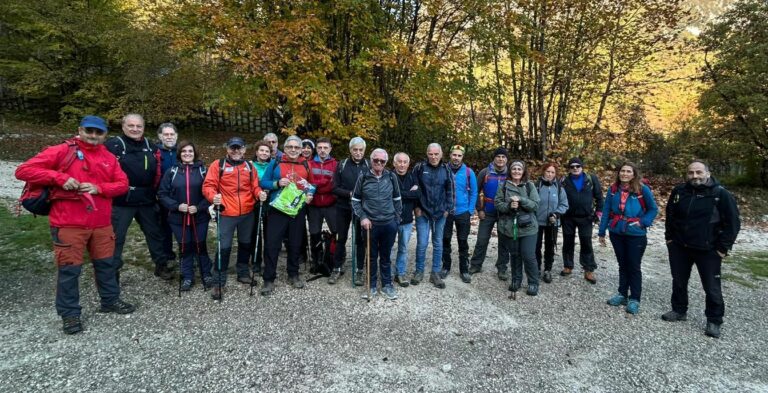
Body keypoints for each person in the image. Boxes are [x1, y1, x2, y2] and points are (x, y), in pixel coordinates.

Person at [16, 115, 135, 334]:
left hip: (101, 222)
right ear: (80, 130)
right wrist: (58, 178)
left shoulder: (108, 156)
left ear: (104, 135)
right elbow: (23, 170)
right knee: (70, 270)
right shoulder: (62, 151)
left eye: (98, 132)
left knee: (107, 264)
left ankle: (110, 300)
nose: (93, 136)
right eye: (89, 131)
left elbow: (122, 185)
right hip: (69, 222)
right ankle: (70, 314)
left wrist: (98, 188)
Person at [662, 160, 740, 338]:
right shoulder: (680, 191)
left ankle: (714, 319)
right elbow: (670, 214)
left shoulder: (720, 194)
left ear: (708, 173)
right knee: (679, 281)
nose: (695, 176)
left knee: (712, 287)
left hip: (708, 250)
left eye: (699, 172)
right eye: (691, 173)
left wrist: (723, 248)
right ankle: (679, 310)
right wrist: (669, 238)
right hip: (680, 246)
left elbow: (733, 223)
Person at [105, 114, 171, 281]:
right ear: (123, 126)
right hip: (122, 199)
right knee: (117, 237)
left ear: (143, 127)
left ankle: (161, 265)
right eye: (131, 126)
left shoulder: (151, 146)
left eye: (139, 126)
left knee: (155, 233)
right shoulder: (113, 145)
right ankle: (112, 272)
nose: (135, 129)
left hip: (147, 198)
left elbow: (159, 171)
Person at [202, 137, 267, 300]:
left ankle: (243, 272)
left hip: (247, 212)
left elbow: (255, 186)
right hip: (226, 213)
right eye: (233, 148)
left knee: (245, 244)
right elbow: (208, 185)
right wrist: (213, 197)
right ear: (227, 149)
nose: (236, 151)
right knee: (223, 247)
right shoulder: (219, 164)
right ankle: (218, 281)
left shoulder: (249, 167)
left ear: (245, 150)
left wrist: (259, 193)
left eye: (239, 148)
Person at [597, 162, 658, 315]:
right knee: (622, 264)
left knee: (634, 266)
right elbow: (606, 211)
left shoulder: (642, 189)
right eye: (622, 171)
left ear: (634, 174)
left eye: (628, 171)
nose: (624, 174)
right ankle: (622, 294)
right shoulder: (613, 190)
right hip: (617, 232)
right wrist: (602, 231)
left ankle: (635, 298)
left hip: (635, 234)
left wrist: (643, 222)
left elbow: (653, 209)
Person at [260, 135, 315, 295]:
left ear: (300, 150)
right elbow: (263, 182)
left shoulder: (306, 164)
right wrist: (277, 183)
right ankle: (269, 279)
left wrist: (310, 196)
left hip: (297, 210)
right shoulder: (275, 162)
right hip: (277, 210)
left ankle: (293, 274)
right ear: (285, 148)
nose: (293, 150)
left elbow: (311, 186)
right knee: (272, 244)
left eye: (296, 147)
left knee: (295, 243)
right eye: (290, 147)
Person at [158, 141, 214, 292]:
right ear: (179, 154)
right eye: (184, 151)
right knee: (185, 247)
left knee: (200, 245)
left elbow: (211, 193)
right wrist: (176, 206)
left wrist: (200, 207)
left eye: (190, 151)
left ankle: (206, 273)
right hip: (178, 219)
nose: (187, 154)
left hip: (199, 217)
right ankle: (187, 276)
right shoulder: (172, 171)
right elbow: (162, 194)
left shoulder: (203, 170)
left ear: (194, 153)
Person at [351, 148, 403, 300]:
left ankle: (387, 285)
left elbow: (397, 199)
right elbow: (355, 200)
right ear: (371, 160)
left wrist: (396, 219)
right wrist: (362, 217)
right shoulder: (364, 176)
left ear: (386, 163)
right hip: (370, 224)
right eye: (376, 160)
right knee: (372, 256)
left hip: (389, 223)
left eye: (382, 161)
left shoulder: (391, 176)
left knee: (386, 256)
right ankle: (372, 285)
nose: (379, 163)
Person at [495, 160, 541, 297]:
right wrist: (509, 206)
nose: (516, 171)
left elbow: (535, 205)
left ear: (523, 171)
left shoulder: (529, 186)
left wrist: (521, 200)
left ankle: (533, 282)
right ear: (510, 171)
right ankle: (516, 280)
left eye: (519, 169)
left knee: (528, 254)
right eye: (514, 169)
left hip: (528, 228)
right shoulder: (503, 186)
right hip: (510, 227)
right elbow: (498, 204)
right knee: (514, 254)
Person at [412, 143, 454, 289]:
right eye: (431, 154)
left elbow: (450, 190)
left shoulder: (446, 169)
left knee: (438, 244)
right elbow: (414, 188)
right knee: (422, 243)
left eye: (436, 154)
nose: (434, 157)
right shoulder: (419, 168)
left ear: (441, 154)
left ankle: (435, 273)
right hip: (423, 212)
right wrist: (416, 207)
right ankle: (419, 271)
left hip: (441, 213)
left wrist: (448, 208)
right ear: (427, 153)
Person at [332, 137, 370, 286]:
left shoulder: (368, 165)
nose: (358, 153)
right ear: (350, 150)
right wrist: (350, 194)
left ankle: (360, 270)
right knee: (341, 238)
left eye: (361, 150)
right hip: (343, 207)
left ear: (364, 151)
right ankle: (337, 267)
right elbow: (334, 188)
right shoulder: (342, 165)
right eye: (355, 150)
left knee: (360, 240)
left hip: (361, 208)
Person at [469, 147, 511, 280]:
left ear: (506, 159)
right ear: (494, 158)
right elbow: (475, 191)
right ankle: (476, 264)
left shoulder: (511, 173)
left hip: (505, 212)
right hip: (487, 211)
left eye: (503, 157)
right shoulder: (485, 172)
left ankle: (502, 268)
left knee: (504, 242)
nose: (500, 159)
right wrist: (479, 209)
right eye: (498, 156)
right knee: (482, 240)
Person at [560, 157, 603, 283]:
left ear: (582, 167)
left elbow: (599, 197)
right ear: (569, 168)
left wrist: (599, 213)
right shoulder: (564, 181)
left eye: (577, 166)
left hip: (586, 217)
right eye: (572, 166)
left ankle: (588, 269)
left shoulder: (591, 179)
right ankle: (568, 265)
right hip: (568, 217)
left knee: (586, 242)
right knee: (568, 241)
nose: (575, 168)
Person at [441, 145, 477, 283]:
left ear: (462, 157)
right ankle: (446, 266)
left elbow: (474, 192)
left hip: (463, 212)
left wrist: (470, 210)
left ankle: (464, 269)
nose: (456, 158)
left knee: (463, 241)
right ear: (450, 155)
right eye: (454, 155)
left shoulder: (468, 172)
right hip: (446, 212)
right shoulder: (443, 169)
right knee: (445, 239)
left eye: (459, 155)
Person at [307, 138, 340, 283]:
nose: (322, 150)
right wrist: (322, 185)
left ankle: (334, 259)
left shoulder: (335, 164)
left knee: (336, 233)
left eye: (325, 147)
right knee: (314, 233)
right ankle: (316, 260)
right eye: (319, 147)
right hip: (314, 205)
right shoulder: (309, 163)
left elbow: (334, 184)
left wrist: (317, 186)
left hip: (331, 204)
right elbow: (308, 183)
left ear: (330, 149)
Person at [534, 163, 569, 283]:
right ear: (543, 172)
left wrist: (556, 214)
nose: (550, 174)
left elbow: (564, 204)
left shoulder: (559, 187)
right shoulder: (536, 186)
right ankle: (536, 268)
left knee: (550, 247)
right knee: (536, 246)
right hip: (536, 222)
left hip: (552, 222)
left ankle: (547, 270)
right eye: (548, 171)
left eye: (552, 172)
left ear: (555, 174)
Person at [392, 152, 420, 287]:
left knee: (403, 248)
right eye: (399, 161)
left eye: (405, 162)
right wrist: (409, 193)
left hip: (407, 219)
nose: (402, 164)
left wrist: (399, 194)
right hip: (390, 218)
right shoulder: (389, 177)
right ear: (394, 163)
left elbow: (417, 194)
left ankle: (400, 273)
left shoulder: (412, 176)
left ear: (408, 164)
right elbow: (389, 195)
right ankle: (389, 273)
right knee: (389, 248)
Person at [156, 123, 179, 265]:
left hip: (180, 196)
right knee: (164, 228)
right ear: (160, 136)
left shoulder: (182, 151)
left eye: (172, 134)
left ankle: (189, 253)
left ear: (176, 136)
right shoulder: (155, 152)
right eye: (166, 134)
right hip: (161, 196)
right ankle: (167, 255)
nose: (169, 137)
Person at [249, 140, 273, 275]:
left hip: (269, 202)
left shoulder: (273, 165)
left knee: (269, 234)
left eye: (267, 151)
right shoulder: (250, 165)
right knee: (255, 233)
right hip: (255, 202)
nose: (264, 153)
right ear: (256, 152)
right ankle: (256, 261)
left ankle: (269, 261)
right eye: (261, 150)